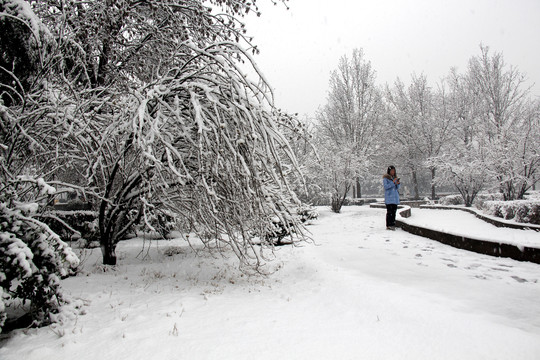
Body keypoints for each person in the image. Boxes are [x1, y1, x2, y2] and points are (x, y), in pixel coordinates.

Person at [383, 165, 400, 230]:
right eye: (392, 171)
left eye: (394, 171)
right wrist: (393, 183)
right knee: (389, 212)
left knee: (394, 212)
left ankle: (393, 224)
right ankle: (388, 225)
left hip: (395, 198)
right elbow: (386, 187)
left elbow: (397, 188)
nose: (393, 172)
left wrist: (398, 183)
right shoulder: (386, 179)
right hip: (389, 198)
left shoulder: (395, 178)